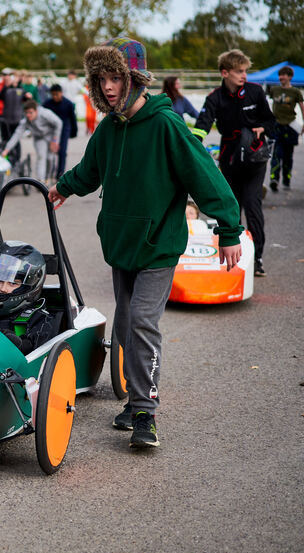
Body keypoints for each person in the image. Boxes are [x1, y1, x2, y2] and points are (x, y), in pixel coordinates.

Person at [47, 36, 243, 449]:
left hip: (158, 246)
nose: (108, 87)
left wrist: (228, 229)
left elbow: (206, 178)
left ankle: (144, 412)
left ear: (134, 78)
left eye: (115, 77)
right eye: (100, 78)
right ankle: (132, 400)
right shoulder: (109, 127)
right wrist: (63, 187)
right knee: (124, 324)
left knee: (141, 322)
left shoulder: (166, 125)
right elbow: (90, 169)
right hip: (122, 244)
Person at [194, 49, 276, 277]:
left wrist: (263, 128)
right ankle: (234, 258)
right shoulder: (214, 98)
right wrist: (193, 144)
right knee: (231, 209)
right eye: (239, 72)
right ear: (225, 72)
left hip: (254, 159)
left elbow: (271, 121)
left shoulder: (255, 92)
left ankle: (257, 258)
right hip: (229, 159)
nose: (244, 76)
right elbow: (202, 124)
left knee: (252, 205)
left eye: (245, 71)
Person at [0, 241, 61, 354]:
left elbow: (31, 352)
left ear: (29, 286)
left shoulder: (41, 320)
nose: (3, 289)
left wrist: (14, 342)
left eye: (13, 283)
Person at [0, 100, 62, 183]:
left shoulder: (45, 114)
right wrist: (7, 149)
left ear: (36, 111)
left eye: (30, 112)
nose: (28, 115)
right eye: (26, 113)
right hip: (39, 138)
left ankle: (47, 177)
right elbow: (17, 135)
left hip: (51, 136)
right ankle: (41, 181)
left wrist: (55, 140)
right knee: (41, 156)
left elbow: (58, 123)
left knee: (49, 159)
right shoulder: (25, 121)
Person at [268, 66, 304, 192]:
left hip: (290, 126)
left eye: (284, 75)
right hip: (277, 126)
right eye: (280, 75)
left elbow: (301, 107)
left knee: (288, 155)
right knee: (276, 154)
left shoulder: (295, 92)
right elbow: (267, 103)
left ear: (289, 77)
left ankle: (286, 180)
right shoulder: (274, 90)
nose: (281, 77)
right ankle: (274, 179)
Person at [41, 84, 78, 176]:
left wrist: (74, 131)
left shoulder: (68, 104)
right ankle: (50, 171)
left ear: (61, 93)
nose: (54, 97)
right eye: (52, 94)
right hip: (51, 130)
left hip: (64, 130)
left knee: (62, 152)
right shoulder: (47, 104)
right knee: (50, 151)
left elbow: (73, 119)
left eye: (56, 94)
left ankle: (60, 173)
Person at [0, 70, 25, 159]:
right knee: (5, 139)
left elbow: (26, 99)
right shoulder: (6, 89)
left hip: (16, 119)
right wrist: (6, 86)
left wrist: (28, 96)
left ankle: (17, 159)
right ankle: (6, 157)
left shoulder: (21, 89)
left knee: (15, 140)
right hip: (6, 119)